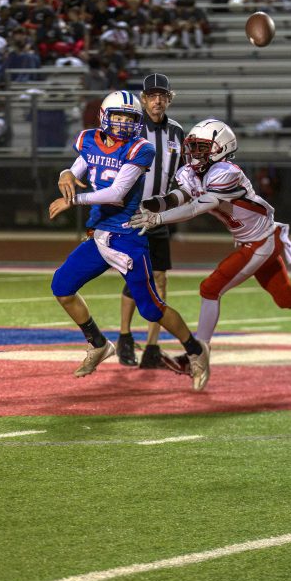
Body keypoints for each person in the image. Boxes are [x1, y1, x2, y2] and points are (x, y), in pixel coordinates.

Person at [128, 118, 291, 365]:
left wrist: (158, 219)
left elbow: (197, 207)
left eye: (201, 147)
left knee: (210, 288)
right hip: (255, 240)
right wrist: (152, 205)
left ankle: (198, 354)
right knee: (287, 298)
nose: (194, 153)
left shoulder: (225, 172)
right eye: (192, 147)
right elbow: (180, 196)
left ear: (221, 149)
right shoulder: (193, 173)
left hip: (260, 242)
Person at [49, 91, 210, 390]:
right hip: (100, 235)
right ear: (104, 116)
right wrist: (66, 172)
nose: (124, 123)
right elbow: (78, 167)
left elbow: (116, 194)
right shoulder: (88, 139)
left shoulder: (141, 148)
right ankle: (98, 343)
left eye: (130, 118)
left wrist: (73, 200)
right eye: (119, 116)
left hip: (127, 236)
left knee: (151, 309)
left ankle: (196, 351)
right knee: (61, 286)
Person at [113, 74, 186, 369]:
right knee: (135, 277)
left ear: (169, 99)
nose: (157, 101)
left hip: (159, 215)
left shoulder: (177, 132)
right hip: (130, 212)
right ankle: (125, 336)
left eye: (162, 96)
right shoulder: (130, 128)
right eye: (152, 96)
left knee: (160, 278)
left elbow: (182, 174)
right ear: (143, 99)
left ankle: (153, 346)